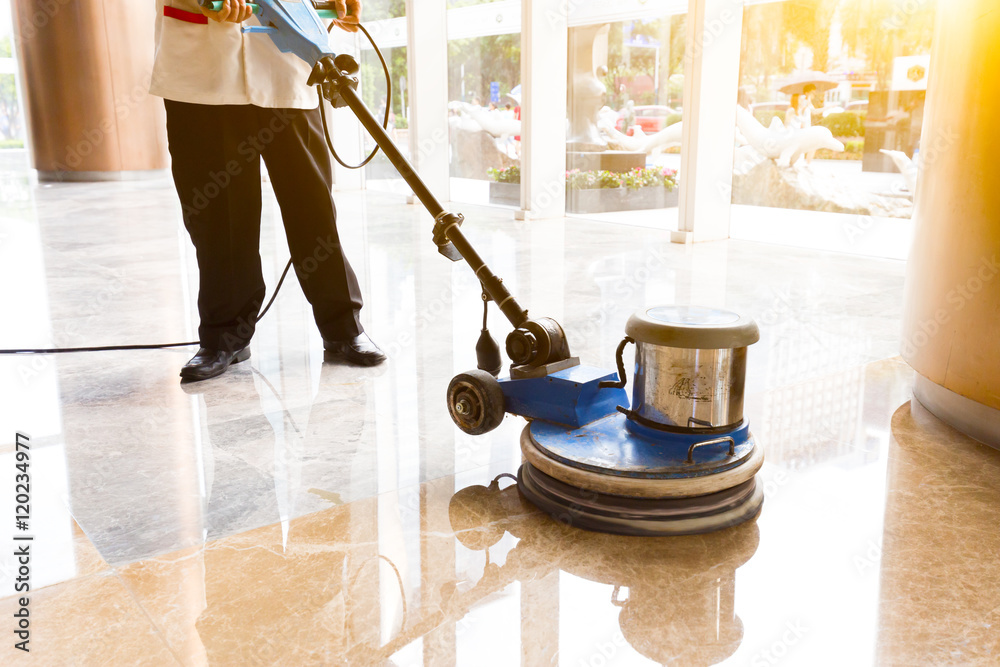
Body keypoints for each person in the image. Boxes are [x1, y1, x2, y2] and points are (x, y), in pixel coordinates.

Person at [150, 0, 385, 382]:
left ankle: (344, 328)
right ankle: (224, 336)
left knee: (312, 204)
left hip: (285, 57)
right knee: (215, 213)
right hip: (202, 64)